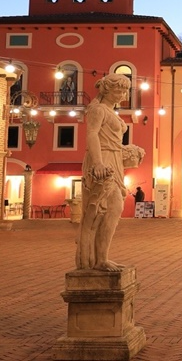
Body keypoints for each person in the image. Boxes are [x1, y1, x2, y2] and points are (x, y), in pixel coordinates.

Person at [76, 73, 133, 270]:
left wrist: (128, 152)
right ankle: (96, 260)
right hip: (103, 160)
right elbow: (92, 135)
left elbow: (113, 140)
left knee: (114, 209)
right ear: (107, 90)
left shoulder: (110, 111)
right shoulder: (98, 110)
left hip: (115, 159)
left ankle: (102, 258)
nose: (123, 94)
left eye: (125, 90)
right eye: (119, 90)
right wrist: (98, 163)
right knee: (104, 209)